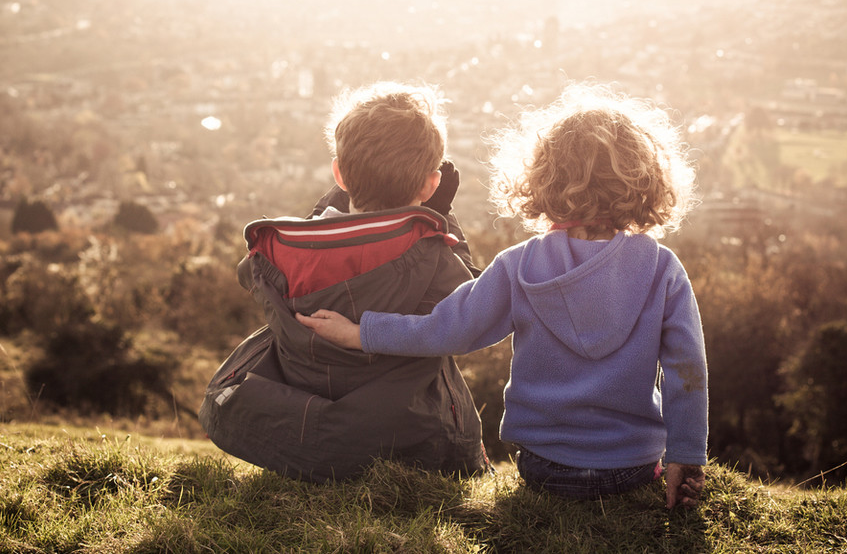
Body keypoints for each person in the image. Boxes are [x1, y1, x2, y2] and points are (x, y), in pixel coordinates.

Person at [298, 84, 708, 508]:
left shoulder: (519, 265)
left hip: (543, 467)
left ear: (543, 178)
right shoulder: (663, 270)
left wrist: (360, 332)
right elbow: (687, 369)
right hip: (633, 466)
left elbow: (448, 331)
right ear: (644, 180)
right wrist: (686, 457)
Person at [199, 81, 490, 482]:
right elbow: (470, 306)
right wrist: (441, 216)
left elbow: (247, 274)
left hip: (305, 426)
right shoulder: (434, 256)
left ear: (339, 174)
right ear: (430, 184)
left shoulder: (282, 251)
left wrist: (327, 209)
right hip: (409, 436)